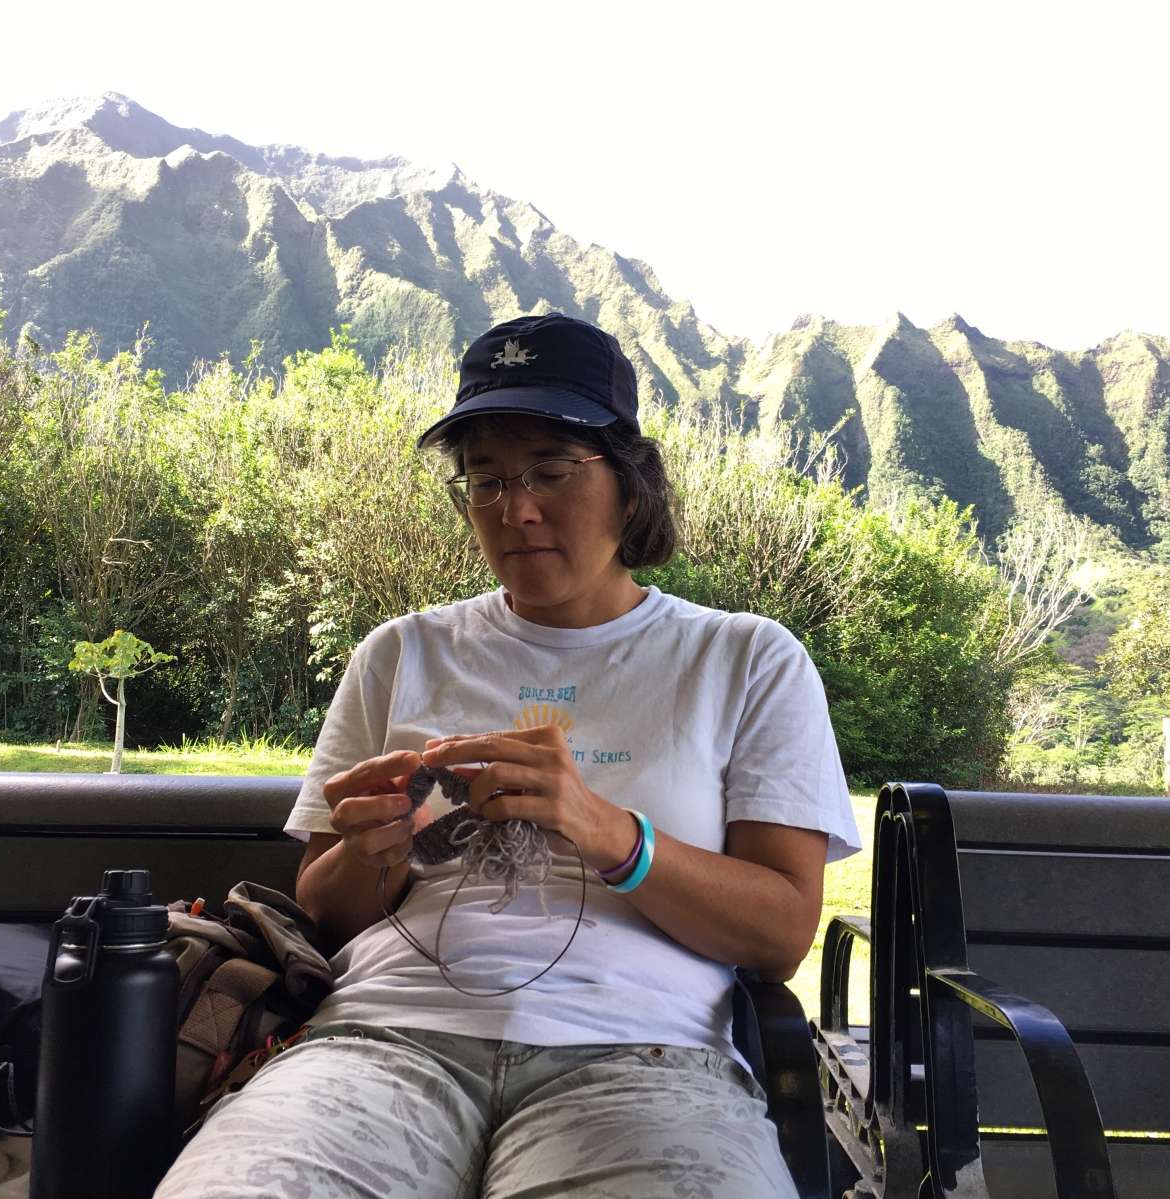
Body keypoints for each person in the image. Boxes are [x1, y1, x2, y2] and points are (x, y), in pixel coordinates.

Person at [155, 312, 861, 1199]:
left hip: (643, 1056)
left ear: (632, 486)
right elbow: (327, 913)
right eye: (484, 479)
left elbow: (781, 933)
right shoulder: (400, 652)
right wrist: (376, 850)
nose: (514, 510)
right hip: (377, 1039)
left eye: (551, 472)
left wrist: (610, 833)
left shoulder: (745, 658)